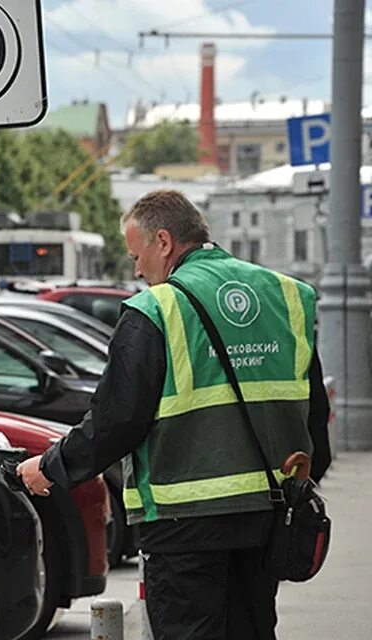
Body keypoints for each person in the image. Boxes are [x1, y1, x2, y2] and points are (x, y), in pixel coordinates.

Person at [17, 189, 331, 640]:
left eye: (137, 255)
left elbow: (116, 420)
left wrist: (49, 468)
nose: (137, 270)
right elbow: (313, 413)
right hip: (267, 516)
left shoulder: (156, 309)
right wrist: (296, 490)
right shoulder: (287, 297)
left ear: (163, 241)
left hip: (183, 523)